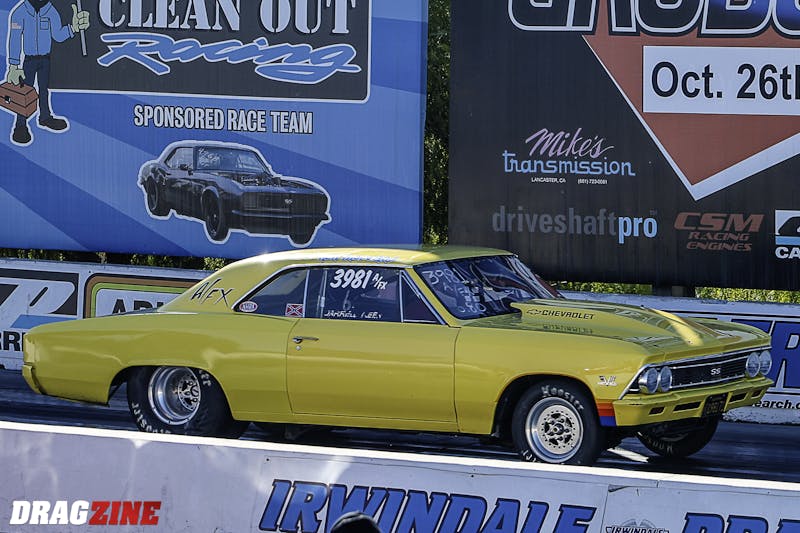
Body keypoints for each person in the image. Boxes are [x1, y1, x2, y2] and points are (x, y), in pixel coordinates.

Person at [5, 1, 89, 145]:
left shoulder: (51, 11)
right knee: (24, 92)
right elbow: (15, 38)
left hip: (45, 60)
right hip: (29, 61)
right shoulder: (19, 12)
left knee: (44, 90)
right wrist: (13, 65)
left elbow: (58, 35)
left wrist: (73, 28)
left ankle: (45, 117)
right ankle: (20, 125)